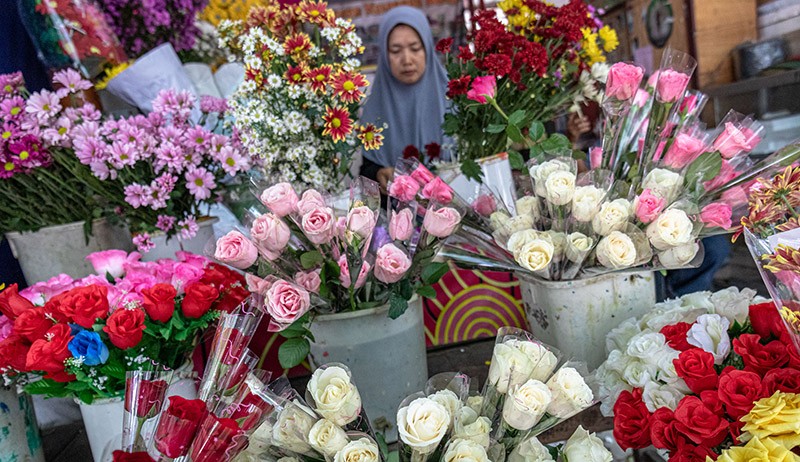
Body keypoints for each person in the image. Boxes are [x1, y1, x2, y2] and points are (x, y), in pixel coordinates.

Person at [359, 6, 449, 192]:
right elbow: (366, 172)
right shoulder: (374, 111)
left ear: (427, 49)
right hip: (399, 216)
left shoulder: (456, 99)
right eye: (396, 50)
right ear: (384, 55)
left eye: (415, 48)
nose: (407, 59)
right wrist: (380, 174)